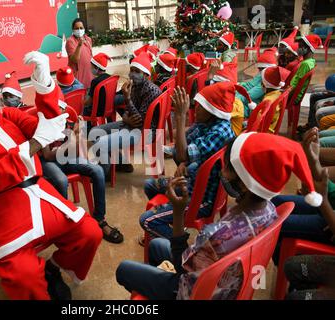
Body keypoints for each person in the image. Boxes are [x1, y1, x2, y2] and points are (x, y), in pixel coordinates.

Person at [0, 52, 102, 300]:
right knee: (23, 277)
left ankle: (54, 268)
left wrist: (44, 81)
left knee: (90, 233)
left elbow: (48, 125)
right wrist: (34, 144)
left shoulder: (6, 116)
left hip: (39, 195)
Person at [117, 129, 322, 300]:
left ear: (244, 182)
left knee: (124, 269)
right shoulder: (268, 208)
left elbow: (182, 268)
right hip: (227, 281)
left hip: (195, 291)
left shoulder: (218, 235)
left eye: (227, 168)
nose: (222, 172)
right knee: (155, 245)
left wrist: (179, 214)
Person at [140, 84, 236, 240]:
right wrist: (185, 161)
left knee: (146, 221)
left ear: (212, 111)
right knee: (150, 185)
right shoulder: (205, 123)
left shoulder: (220, 132)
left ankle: (180, 246)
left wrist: (180, 117)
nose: (195, 108)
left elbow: (182, 154)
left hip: (202, 199)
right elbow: (181, 153)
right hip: (192, 182)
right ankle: (173, 221)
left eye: (201, 106)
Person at [40, 101, 123, 244]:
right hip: (48, 162)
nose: (58, 111)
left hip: (66, 157)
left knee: (97, 170)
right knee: (61, 180)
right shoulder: (42, 125)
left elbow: (76, 152)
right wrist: (72, 141)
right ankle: (64, 225)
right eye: (55, 108)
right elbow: (47, 155)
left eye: (61, 108)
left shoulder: (68, 123)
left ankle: (100, 220)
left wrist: (79, 135)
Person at [89, 52, 162, 174]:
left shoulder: (151, 91)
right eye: (132, 70)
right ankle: (121, 163)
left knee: (100, 143)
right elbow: (127, 113)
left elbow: (139, 122)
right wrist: (126, 118)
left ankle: (103, 174)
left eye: (137, 71)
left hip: (145, 131)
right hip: (132, 125)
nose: (132, 74)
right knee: (94, 132)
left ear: (146, 74)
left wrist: (127, 99)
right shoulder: (134, 86)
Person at [272, 128, 334, 265]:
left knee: (274, 223)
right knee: (276, 202)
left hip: (330, 220)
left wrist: (323, 201)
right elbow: (331, 191)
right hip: (330, 210)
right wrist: (313, 160)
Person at [290, 34, 322, 105]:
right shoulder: (311, 61)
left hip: (294, 96)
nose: (298, 49)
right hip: (295, 94)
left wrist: (285, 94)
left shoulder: (305, 64)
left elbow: (296, 84)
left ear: (308, 48)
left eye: (300, 47)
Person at [258, 66, 291, 133]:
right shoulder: (277, 94)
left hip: (262, 133)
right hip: (270, 129)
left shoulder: (267, 101)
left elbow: (258, 122)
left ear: (264, 84)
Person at [83, 53, 112, 121]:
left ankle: (85, 130)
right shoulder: (110, 77)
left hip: (98, 111)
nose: (90, 68)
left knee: (83, 111)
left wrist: (82, 103)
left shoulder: (95, 81)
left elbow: (89, 102)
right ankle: (113, 130)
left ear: (97, 67)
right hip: (109, 107)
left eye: (91, 66)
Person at [66, 18, 94, 89]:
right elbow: (74, 60)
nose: (79, 30)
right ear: (73, 30)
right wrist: (79, 45)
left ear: (84, 29)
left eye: (81, 28)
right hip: (78, 77)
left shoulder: (88, 39)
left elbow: (90, 56)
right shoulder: (70, 41)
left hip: (89, 76)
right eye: (77, 28)